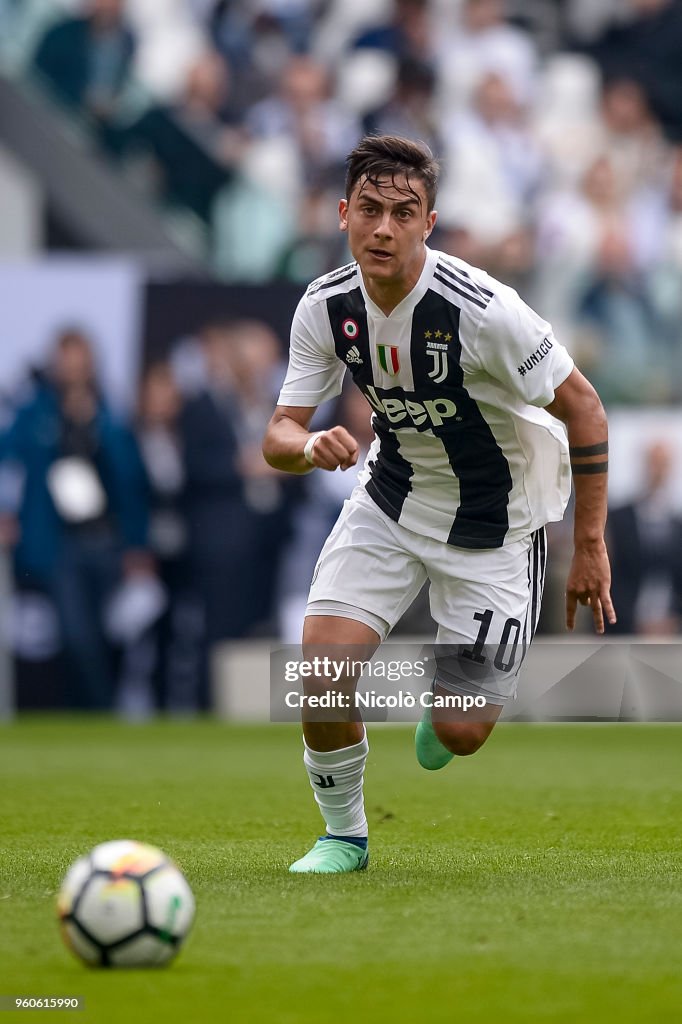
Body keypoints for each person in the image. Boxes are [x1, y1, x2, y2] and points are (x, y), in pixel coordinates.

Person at [263, 134, 616, 874]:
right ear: (342, 214)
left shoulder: (486, 311)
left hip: (495, 529)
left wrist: (589, 544)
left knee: (461, 732)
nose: (383, 228)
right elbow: (278, 434)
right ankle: (344, 838)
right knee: (321, 675)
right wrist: (306, 446)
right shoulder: (325, 307)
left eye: (403, 212)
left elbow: (584, 409)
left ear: (430, 223)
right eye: (369, 209)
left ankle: (448, 705)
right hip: (391, 502)